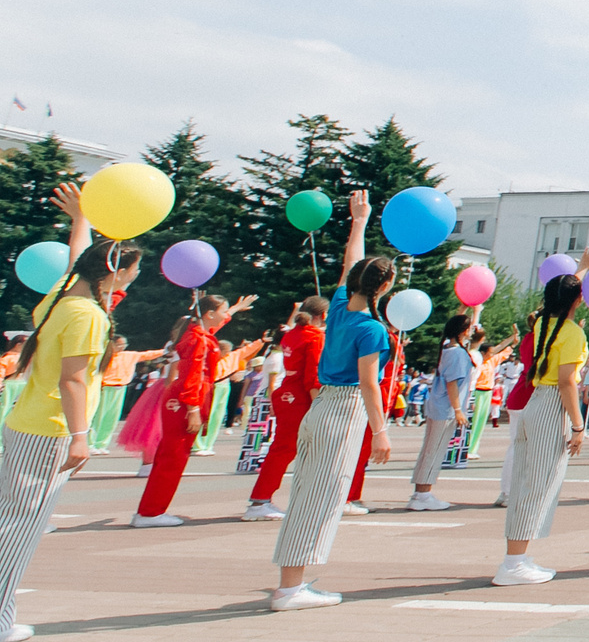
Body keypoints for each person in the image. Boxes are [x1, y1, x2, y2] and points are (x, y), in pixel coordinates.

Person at [2, 186, 138, 642]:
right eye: (131, 273)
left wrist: (82, 219)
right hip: (51, 430)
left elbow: (78, 260)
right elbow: (73, 379)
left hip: (28, 423)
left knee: (12, 517)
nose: (132, 281)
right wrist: (81, 436)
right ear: (114, 273)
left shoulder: (62, 297)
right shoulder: (87, 316)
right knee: (22, 525)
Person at [269, 192, 400, 611]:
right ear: (383, 287)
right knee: (322, 496)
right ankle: (291, 589)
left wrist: (358, 222)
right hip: (343, 410)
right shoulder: (372, 330)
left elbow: (349, 266)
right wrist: (380, 432)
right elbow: (367, 383)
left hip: (321, 406)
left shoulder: (341, 310)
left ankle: (292, 583)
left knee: (309, 491)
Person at [498, 249, 589, 585]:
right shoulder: (572, 333)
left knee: (530, 480)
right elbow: (567, 382)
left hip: (534, 403)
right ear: (578, 300)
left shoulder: (543, 322)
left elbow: (563, 294)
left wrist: (583, 269)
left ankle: (519, 557)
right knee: (537, 484)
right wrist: (578, 424)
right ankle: (513, 562)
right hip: (552, 406)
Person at [130, 289, 253, 527]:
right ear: (209, 314)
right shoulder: (198, 339)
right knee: (173, 458)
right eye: (222, 311)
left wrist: (235, 310)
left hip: (184, 399)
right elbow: (192, 376)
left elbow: (214, 328)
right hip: (185, 401)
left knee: (172, 457)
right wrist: (193, 409)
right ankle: (150, 512)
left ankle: (151, 510)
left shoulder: (199, 334)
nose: (224, 315)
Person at [408, 315, 476, 512]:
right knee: (434, 450)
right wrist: (457, 410)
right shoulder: (456, 353)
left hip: (438, 406)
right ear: (463, 331)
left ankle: (420, 492)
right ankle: (423, 494)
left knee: (429, 449)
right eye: (469, 327)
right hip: (445, 409)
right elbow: (452, 382)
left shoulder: (448, 348)